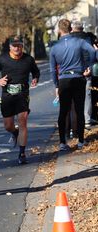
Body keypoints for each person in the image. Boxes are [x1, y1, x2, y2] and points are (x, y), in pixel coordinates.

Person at [0, 35, 40, 164]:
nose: (17, 48)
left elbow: (36, 72)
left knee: (23, 121)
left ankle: (22, 153)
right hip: (7, 95)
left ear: (22, 46)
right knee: (8, 125)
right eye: (14, 45)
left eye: (19, 45)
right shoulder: (3, 59)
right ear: (10, 47)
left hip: (23, 94)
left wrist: (35, 78)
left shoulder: (28, 59)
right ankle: (14, 132)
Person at [49, 19, 97, 151]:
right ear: (70, 29)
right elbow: (93, 52)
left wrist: (56, 85)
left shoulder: (54, 47)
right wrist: (88, 66)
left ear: (59, 30)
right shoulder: (79, 42)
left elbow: (53, 69)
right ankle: (81, 141)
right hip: (78, 77)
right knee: (79, 109)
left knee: (63, 111)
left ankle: (62, 142)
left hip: (64, 79)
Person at [70, 20, 94, 129]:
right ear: (82, 28)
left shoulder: (68, 39)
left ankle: (73, 122)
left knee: (72, 97)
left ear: (72, 29)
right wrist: (89, 66)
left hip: (72, 70)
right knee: (87, 95)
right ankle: (87, 120)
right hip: (86, 69)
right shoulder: (87, 39)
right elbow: (92, 53)